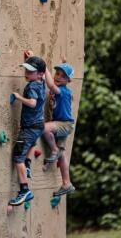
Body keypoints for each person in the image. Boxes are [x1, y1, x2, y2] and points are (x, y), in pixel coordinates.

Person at [8, 56, 47, 206]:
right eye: (26, 70)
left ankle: (24, 190)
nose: (27, 73)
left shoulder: (31, 86)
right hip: (38, 125)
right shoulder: (41, 82)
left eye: (31, 71)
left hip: (29, 128)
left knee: (17, 156)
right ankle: (28, 165)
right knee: (30, 145)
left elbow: (32, 103)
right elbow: (45, 71)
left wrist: (18, 97)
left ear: (40, 74)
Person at [42, 60, 76, 197]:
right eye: (57, 73)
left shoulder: (63, 91)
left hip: (65, 124)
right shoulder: (58, 89)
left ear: (68, 80)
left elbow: (49, 84)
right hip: (62, 123)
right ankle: (67, 183)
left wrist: (42, 65)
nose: (57, 77)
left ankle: (54, 150)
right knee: (62, 155)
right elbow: (45, 79)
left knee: (44, 128)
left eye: (62, 76)